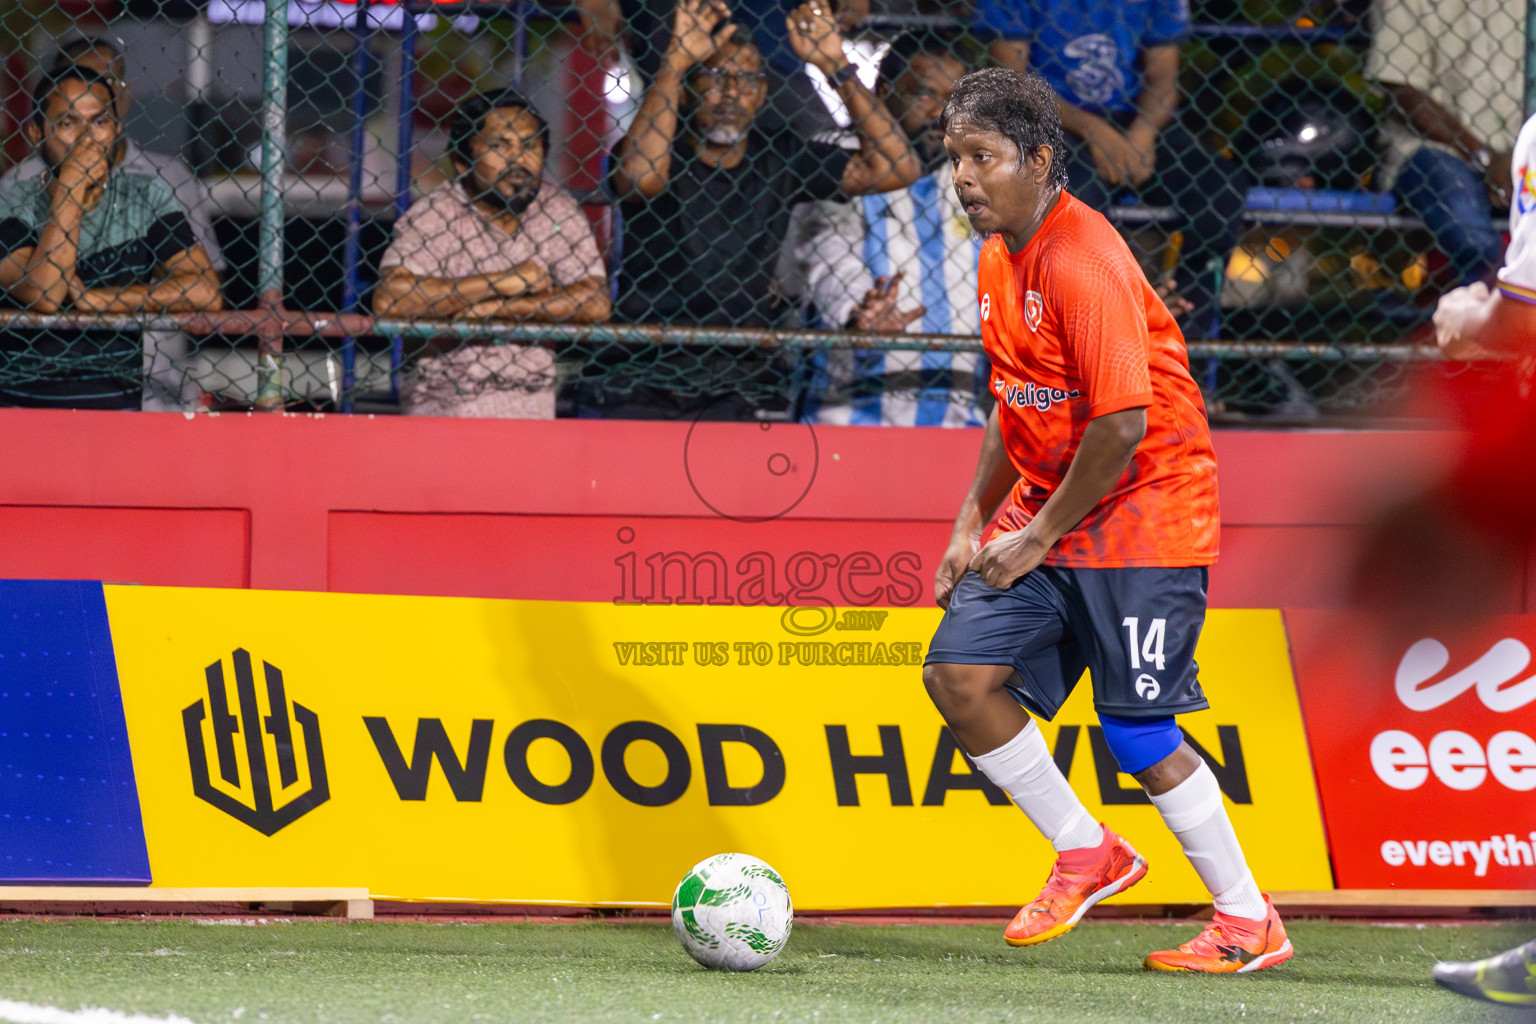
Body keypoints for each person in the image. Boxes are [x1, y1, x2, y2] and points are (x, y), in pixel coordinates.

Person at [921, 68, 1291, 973]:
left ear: (1040, 160)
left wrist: (1037, 536)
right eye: (953, 159)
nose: (963, 178)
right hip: (1052, 504)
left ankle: (1249, 923)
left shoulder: (1082, 258)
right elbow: (1018, 402)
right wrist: (971, 520)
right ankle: (1089, 851)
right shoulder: (996, 251)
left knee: (1136, 731)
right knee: (959, 677)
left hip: (1144, 507)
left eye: (983, 158)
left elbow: (1123, 425)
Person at [610, 0, 919, 330]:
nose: (731, 91)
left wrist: (835, 64)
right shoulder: (656, 148)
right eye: (715, 77)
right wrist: (672, 66)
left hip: (743, 365)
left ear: (760, 96)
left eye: (747, 79)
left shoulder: (779, 156)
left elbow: (898, 167)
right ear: (685, 92)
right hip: (646, 360)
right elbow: (640, 178)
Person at [977, 0, 1246, 340]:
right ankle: (1081, 346)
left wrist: (1142, 134)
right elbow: (1012, 82)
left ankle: (1183, 341)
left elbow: (1163, 80)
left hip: (1133, 120)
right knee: (1076, 199)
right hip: (1044, 120)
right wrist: (1092, 130)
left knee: (1220, 190)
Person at [0, 36, 226, 411]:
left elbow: (205, 289)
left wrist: (103, 300)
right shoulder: (12, 197)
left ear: (116, 126)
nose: (87, 138)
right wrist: (71, 186)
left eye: (99, 121)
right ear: (37, 133)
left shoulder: (148, 192)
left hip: (124, 406)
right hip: (24, 410)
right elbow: (46, 294)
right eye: (68, 122)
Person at [780, 31, 989, 427]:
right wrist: (855, 312)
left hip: (956, 421)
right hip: (846, 415)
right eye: (925, 95)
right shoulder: (840, 160)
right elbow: (827, 254)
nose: (942, 116)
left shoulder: (972, 179)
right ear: (884, 90)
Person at [372, 89, 609, 419]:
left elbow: (594, 301)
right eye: (500, 146)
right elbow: (391, 299)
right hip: (445, 420)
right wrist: (501, 282)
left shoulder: (556, 209)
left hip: (529, 427)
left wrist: (503, 308)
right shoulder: (438, 212)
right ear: (462, 163)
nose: (519, 160)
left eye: (529, 146)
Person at [1367, 0, 1522, 303]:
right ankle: (1491, 313)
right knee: (1470, 232)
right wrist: (1484, 157)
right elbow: (1403, 93)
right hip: (1435, 148)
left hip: (1522, 149)